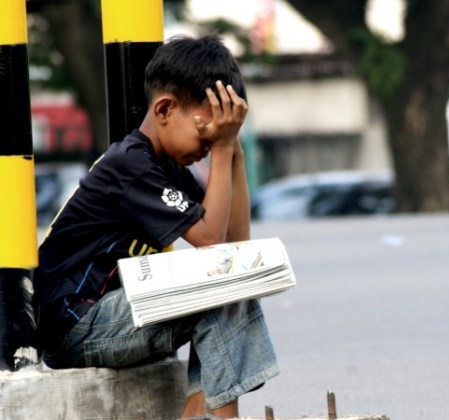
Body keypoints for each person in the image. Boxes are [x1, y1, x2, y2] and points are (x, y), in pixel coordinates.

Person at [31, 35, 278, 419]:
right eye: (206, 135)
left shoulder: (170, 170)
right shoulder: (130, 165)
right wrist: (223, 148)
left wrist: (235, 155)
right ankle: (209, 414)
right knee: (218, 285)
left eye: (218, 137)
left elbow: (235, 248)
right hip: (77, 325)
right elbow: (212, 241)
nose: (209, 145)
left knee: (232, 280)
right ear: (164, 109)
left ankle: (203, 411)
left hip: (117, 316)